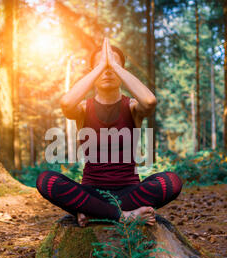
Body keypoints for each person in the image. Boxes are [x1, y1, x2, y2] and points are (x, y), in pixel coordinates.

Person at [36, 38, 183, 227]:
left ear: (122, 71)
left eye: (113, 65)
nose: (107, 70)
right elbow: (66, 104)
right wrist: (100, 66)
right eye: (100, 66)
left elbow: (149, 102)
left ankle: (95, 212)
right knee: (46, 180)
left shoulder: (131, 107)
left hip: (129, 193)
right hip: (91, 192)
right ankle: (122, 216)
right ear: (93, 73)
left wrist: (114, 65)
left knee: (172, 181)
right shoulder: (82, 109)